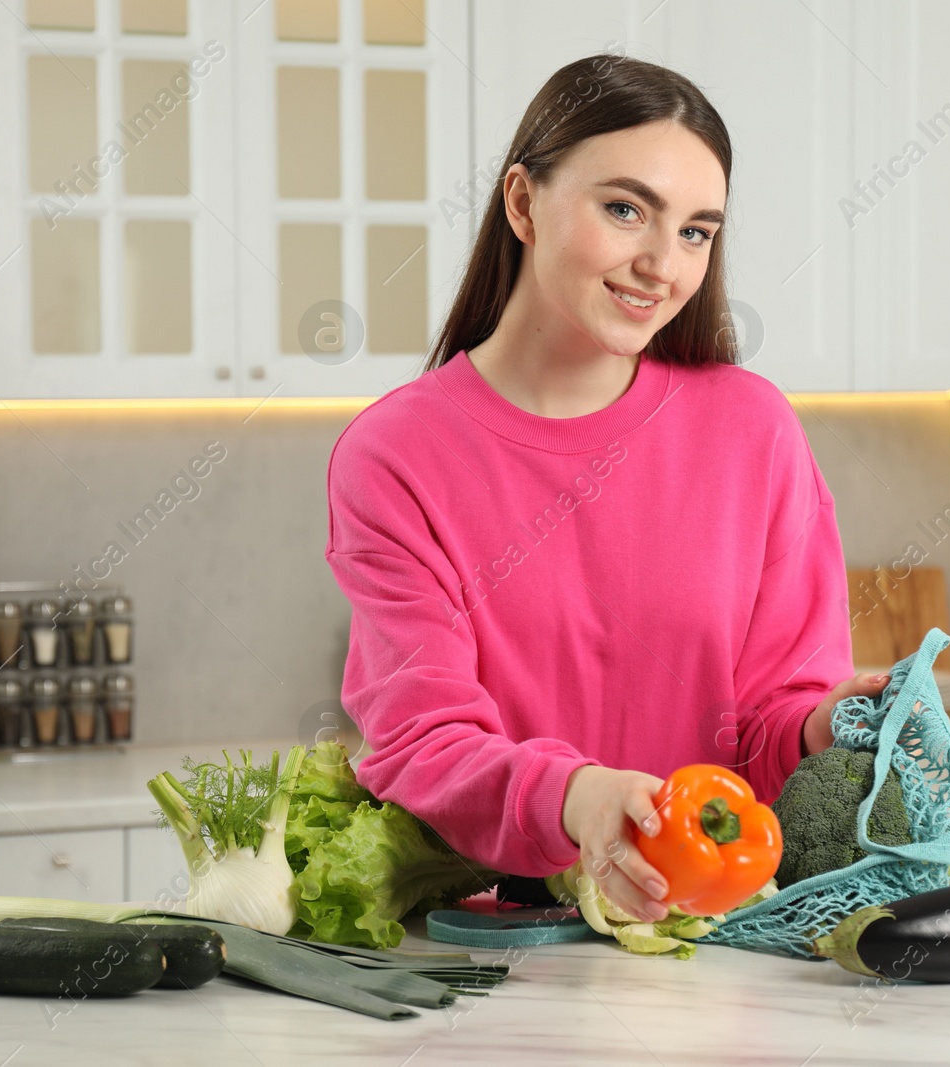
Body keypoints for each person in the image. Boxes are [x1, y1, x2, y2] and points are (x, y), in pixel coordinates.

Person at [323, 53, 889, 924]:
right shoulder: (397, 453)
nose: (663, 264)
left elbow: (772, 724)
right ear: (523, 203)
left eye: (697, 231)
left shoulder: (753, 430)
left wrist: (826, 725)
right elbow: (421, 740)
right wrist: (580, 799)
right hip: (490, 941)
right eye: (626, 210)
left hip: (712, 926)